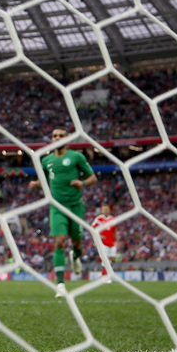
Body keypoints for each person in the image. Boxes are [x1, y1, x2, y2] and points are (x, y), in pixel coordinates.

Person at [35, 127, 95, 298]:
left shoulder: (76, 157)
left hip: (76, 206)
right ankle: (60, 285)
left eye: (61, 135)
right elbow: (45, 180)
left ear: (67, 139)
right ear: (52, 139)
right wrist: (36, 184)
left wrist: (83, 183)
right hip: (57, 207)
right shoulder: (46, 160)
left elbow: (93, 177)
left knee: (77, 244)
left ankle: (76, 256)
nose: (57, 137)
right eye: (55, 135)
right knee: (59, 241)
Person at [90, 204, 118, 284]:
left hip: (112, 242)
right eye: (104, 209)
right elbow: (91, 228)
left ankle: (103, 273)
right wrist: (98, 236)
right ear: (102, 210)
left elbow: (115, 231)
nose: (105, 211)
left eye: (107, 209)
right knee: (105, 258)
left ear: (109, 210)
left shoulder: (112, 219)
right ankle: (107, 276)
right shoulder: (99, 219)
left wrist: (118, 241)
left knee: (113, 259)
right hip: (102, 242)